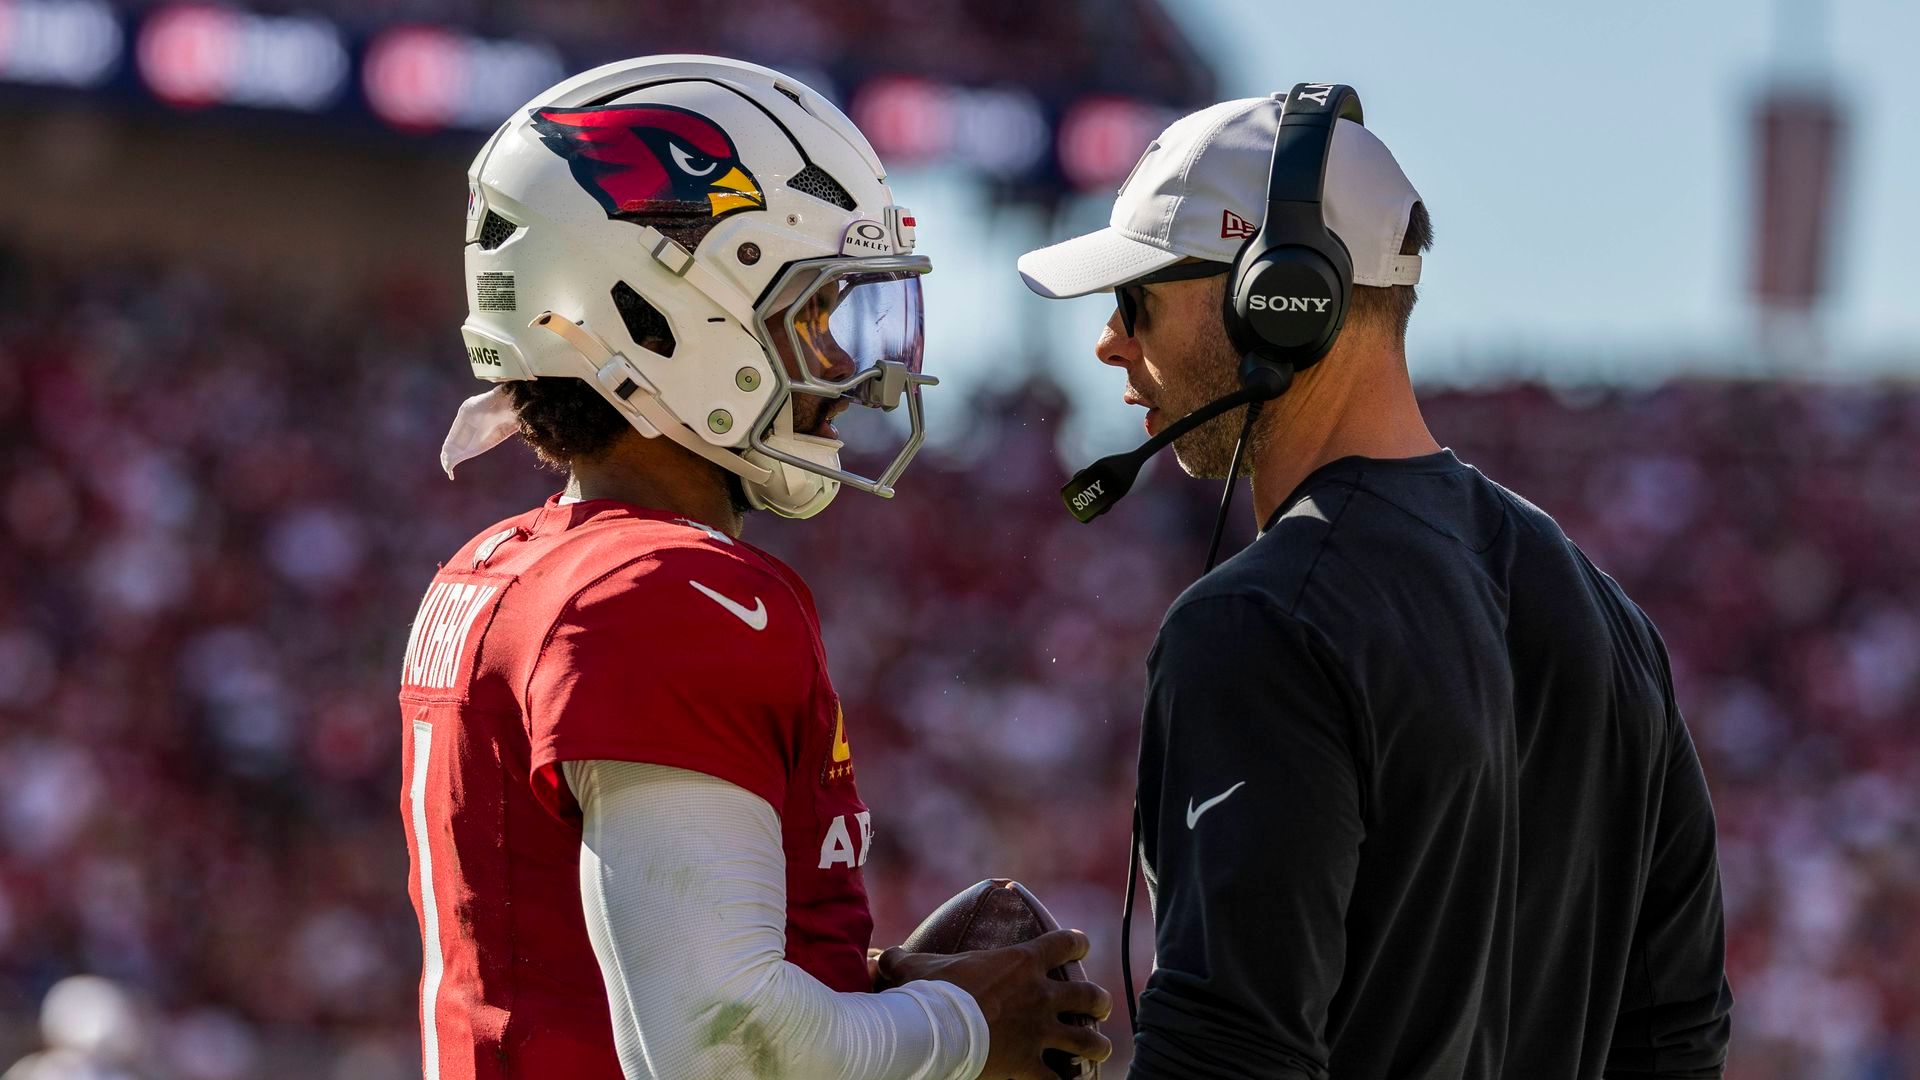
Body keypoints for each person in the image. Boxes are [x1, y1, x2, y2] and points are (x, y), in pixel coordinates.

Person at [402, 55, 1111, 1080]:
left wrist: (867, 980)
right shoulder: (666, 593)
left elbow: (589, 969)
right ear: (659, 314)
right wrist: (965, 1028)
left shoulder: (505, 565)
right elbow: (713, 1050)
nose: (860, 380)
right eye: (818, 319)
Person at [1017, 93, 1733, 1077]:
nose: (1110, 342)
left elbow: (1229, 1058)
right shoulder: (1608, 617)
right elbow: (1677, 1036)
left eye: (1136, 297)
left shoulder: (1260, 622)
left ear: (1278, 299)